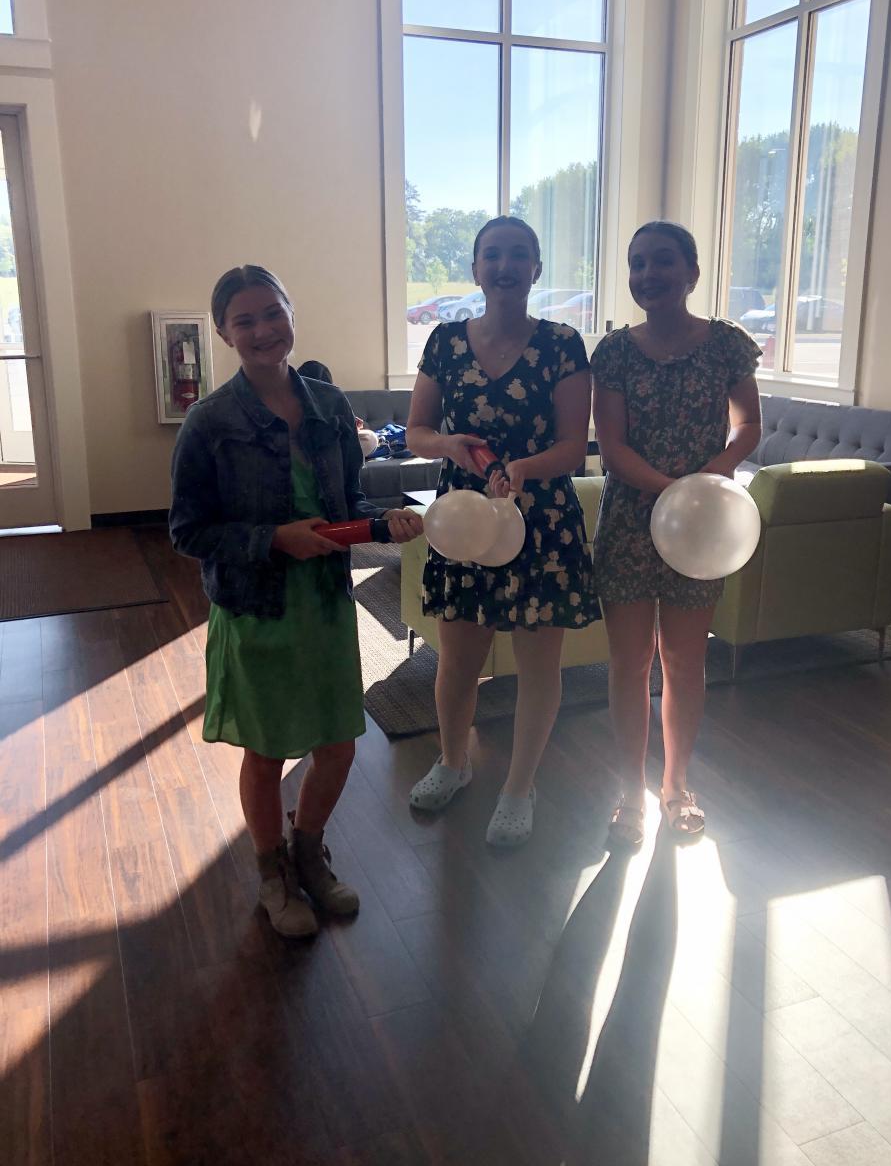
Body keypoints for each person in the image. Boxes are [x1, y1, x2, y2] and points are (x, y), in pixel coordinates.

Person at [169, 265, 422, 938]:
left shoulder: (330, 406)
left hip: (326, 603)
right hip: (258, 607)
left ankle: (308, 850)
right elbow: (188, 531)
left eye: (272, 314)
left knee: (337, 745)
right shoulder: (209, 421)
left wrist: (384, 523)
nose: (262, 330)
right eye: (244, 320)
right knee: (267, 752)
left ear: (291, 315)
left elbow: (348, 505)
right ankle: (271, 872)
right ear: (224, 332)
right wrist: (275, 538)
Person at [405, 216, 600, 846]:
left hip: (541, 521)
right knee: (458, 658)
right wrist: (449, 446)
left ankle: (519, 786)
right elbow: (417, 431)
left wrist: (521, 469)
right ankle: (453, 762)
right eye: (492, 255)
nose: (505, 266)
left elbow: (573, 447)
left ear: (536, 269)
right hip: (464, 519)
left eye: (519, 255)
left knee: (538, 665)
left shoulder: (564, 343)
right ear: (475, 268)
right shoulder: (444, 341)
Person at [592, 221, 761, 846]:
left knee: (686, 663)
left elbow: (748, 425)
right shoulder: (614, 352)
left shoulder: (727, 344)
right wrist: (672, 491)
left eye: (662, 261)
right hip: (630, 524)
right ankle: (629, 792)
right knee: (629, 664)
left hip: (704, 529)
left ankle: (677, 786)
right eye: (637, 263)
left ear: (691, 272)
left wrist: (710, 478)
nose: (647, 274)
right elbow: (611, 447)